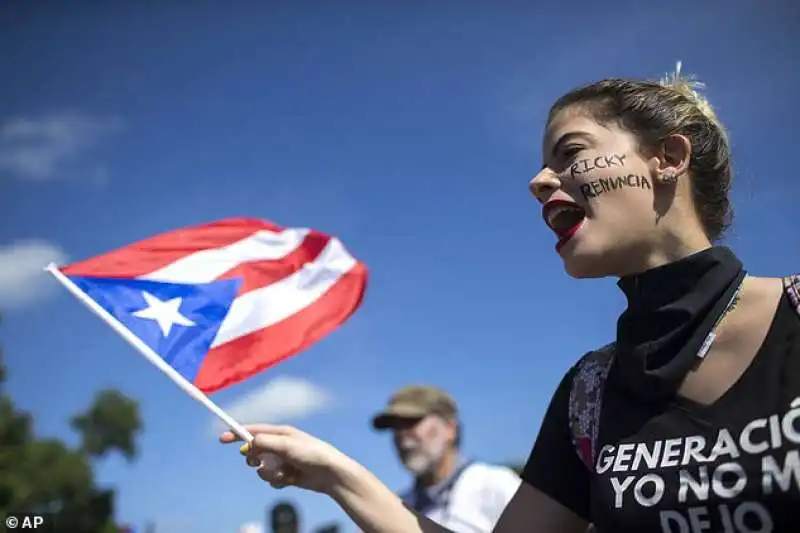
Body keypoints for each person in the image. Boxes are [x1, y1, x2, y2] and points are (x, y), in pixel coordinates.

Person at [221, 64, 800, 532]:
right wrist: (335, 475)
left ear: (668, 159)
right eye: (544, 165)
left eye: (571, 152)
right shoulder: (589, 394)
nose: (539, 181)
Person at [369, 384, 521, 532]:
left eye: (411, 421)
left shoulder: (495, 486)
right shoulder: (396, 506)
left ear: (450, 428)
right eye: (395, 427)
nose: (401, 435)